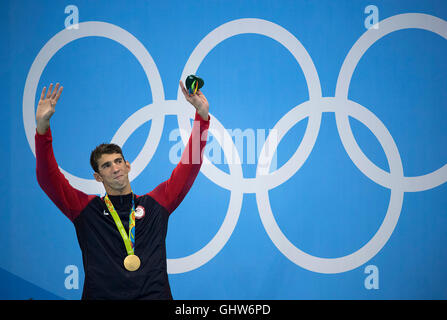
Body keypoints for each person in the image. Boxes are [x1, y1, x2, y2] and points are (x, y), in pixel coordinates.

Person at [35, 82, 210, 300]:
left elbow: (190, 167)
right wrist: (42, 129)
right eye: (106, 165)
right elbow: (47, 179)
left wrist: (202, 119)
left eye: (118, 161)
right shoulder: (87, 210)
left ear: (128, 166)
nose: (115, 168)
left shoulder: (155, 205)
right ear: (98, 177)